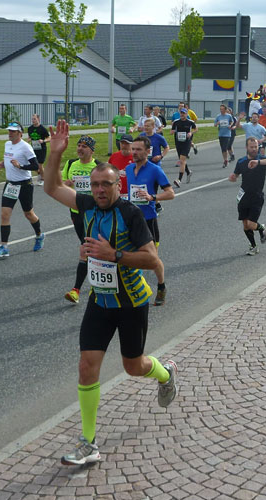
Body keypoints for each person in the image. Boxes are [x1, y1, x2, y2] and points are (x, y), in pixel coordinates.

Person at [43, 120, 178, 466]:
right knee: (87, 366)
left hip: (132, 303)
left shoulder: (130, 215)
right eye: (95, 184)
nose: (100, 189)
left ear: (118, 185)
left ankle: (165, 374)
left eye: (107, 184)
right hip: (100, 300)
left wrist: (113, 255)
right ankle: (88, 443)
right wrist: (55, 154)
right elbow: (51, 187)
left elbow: (152, 259)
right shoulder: (87, 205)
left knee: (134, 366)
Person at [126, 136, 175, 305]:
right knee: (130, 256)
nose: (134, 152)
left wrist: (152, 197)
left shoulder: (155, 170)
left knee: (152, 259)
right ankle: (134, 290)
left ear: (148, 151)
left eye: (138, 149)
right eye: (133, 149)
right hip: (131, 220)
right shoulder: (128, 169)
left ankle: (161, 286)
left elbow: (170, 193)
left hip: (148, 221)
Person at [0, 122, 45, 258]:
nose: (10, 133)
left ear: (20, 133)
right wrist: (4, 164)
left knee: (29, 214)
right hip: (10, 184)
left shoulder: (26, 147)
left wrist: (20, 166)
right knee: (5, 215)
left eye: (13, 131)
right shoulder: (7, 144)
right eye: (9, 131)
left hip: (24, 185)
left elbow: (35, 166)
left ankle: (39, 235)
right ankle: (4, 247)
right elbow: (10, 158)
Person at [62, 135, 103, 303]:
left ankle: (76, 290)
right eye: (79, 145)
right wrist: (66, 183)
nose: (80, 148)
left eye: (84, 146)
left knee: (87, 249)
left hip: (94, 212)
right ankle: (97, 277)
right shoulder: (71, 163)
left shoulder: (98, 166)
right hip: (76, 211)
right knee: (87, 247)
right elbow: (60, 184)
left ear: (91, 150)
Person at [229, 136, 266, 255]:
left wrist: (258, 162)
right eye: (252, 147)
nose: (254, 149)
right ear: (247, 147)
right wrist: (233, 178)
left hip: (257, 196)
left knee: (251, 224)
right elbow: (236, 175)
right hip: (243, 196)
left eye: (256, 147)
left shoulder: (262, 159)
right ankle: (253, 246)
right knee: (246, 225)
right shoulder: (241, 161)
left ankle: (261, 228)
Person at [170, 108, 197, 187]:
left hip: (187, 143)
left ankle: (179, 180)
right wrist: (173, 131)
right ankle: (188, 172)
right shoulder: (176, 122)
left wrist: (191, 133)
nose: (182, 114)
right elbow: (171, 131)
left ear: (186, 114)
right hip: (178, 143)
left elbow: (196, 129)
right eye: (181, 113)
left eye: (184, 113)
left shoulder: (190, 122)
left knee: (182, 160)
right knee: (182, 160)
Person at [108, 134, 134, 198]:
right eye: (122, 143)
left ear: (132, 144)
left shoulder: (136, 157)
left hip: (132, 193)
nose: (124, 146)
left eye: (127, 143)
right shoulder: (114, 156)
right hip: (116, 194)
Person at [27, 114, 50, 184]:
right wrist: (29, 140)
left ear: (38, 119)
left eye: (34, 119)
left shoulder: (42, 129)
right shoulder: (30, 128)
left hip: (42, 149)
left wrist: (43, 141)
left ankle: (43, 179)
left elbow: (49, 138)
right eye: (32, 119)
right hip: (33, 148)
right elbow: (29, 137)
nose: (33, 120)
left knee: (40, 165)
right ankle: (41, 173)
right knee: (34, 165)